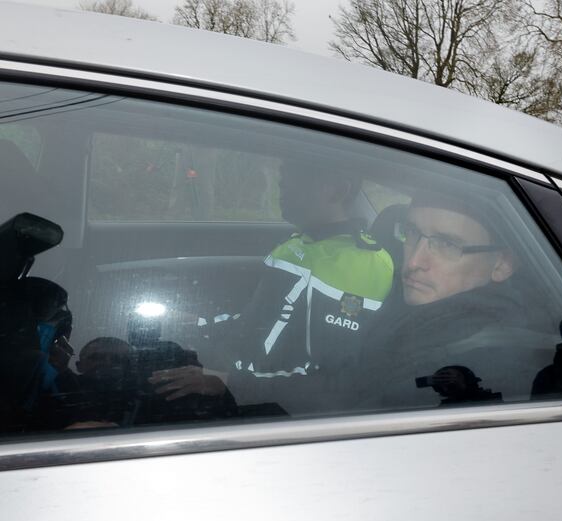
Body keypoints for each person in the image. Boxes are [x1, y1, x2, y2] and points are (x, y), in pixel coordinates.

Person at [149, 160, 394, 415]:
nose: (283, 188)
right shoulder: (301, 244)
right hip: (241, 377)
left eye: (296, 181)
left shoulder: (361, 265)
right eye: (283, 181)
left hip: (273, 406)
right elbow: (257, 324)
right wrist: (197, 324)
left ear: (338, 190)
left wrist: (225, 381)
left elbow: (329, 376)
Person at [354, 191, 541, 411]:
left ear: (502, 264)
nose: (414, 261)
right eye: (411, 232)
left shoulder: (475, 364)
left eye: (447, 244)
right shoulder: (408, 307)